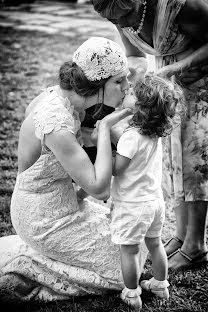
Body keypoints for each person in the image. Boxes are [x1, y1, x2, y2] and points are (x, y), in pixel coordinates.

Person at [0, 37, 149, 304]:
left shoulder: (68, 101)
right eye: (119, 81)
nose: (127, 87)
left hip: (64, 203)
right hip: (42, 218)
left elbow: (90, 140)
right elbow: (98, 187)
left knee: (135, 243)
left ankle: (43, 256)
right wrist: (104, 128)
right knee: (124, 271)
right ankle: (28, 265)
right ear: (96, 85)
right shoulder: (56, 121)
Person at [91, 0, 208, 270]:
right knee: (173, 159)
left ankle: (196, 245)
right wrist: (135, 73)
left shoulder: (183, 6)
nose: (121, 25)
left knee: (195, 162)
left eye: (124, 16)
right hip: (166, 87)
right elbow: (136, 56)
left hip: (201, 83)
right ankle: (180, 236)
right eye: (114, 21)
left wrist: (177, 68)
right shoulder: (117, 12)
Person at [106, 73, 185, 310]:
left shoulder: (131, 136)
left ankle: (131, 294)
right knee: (155, 244)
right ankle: (161, 285)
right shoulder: (153, 132)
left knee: (129, 251)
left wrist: (103, 150)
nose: (127, 91)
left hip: (133, 206)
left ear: (140, 105)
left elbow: (117, 169)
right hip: (154, 203)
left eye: (131, 93)